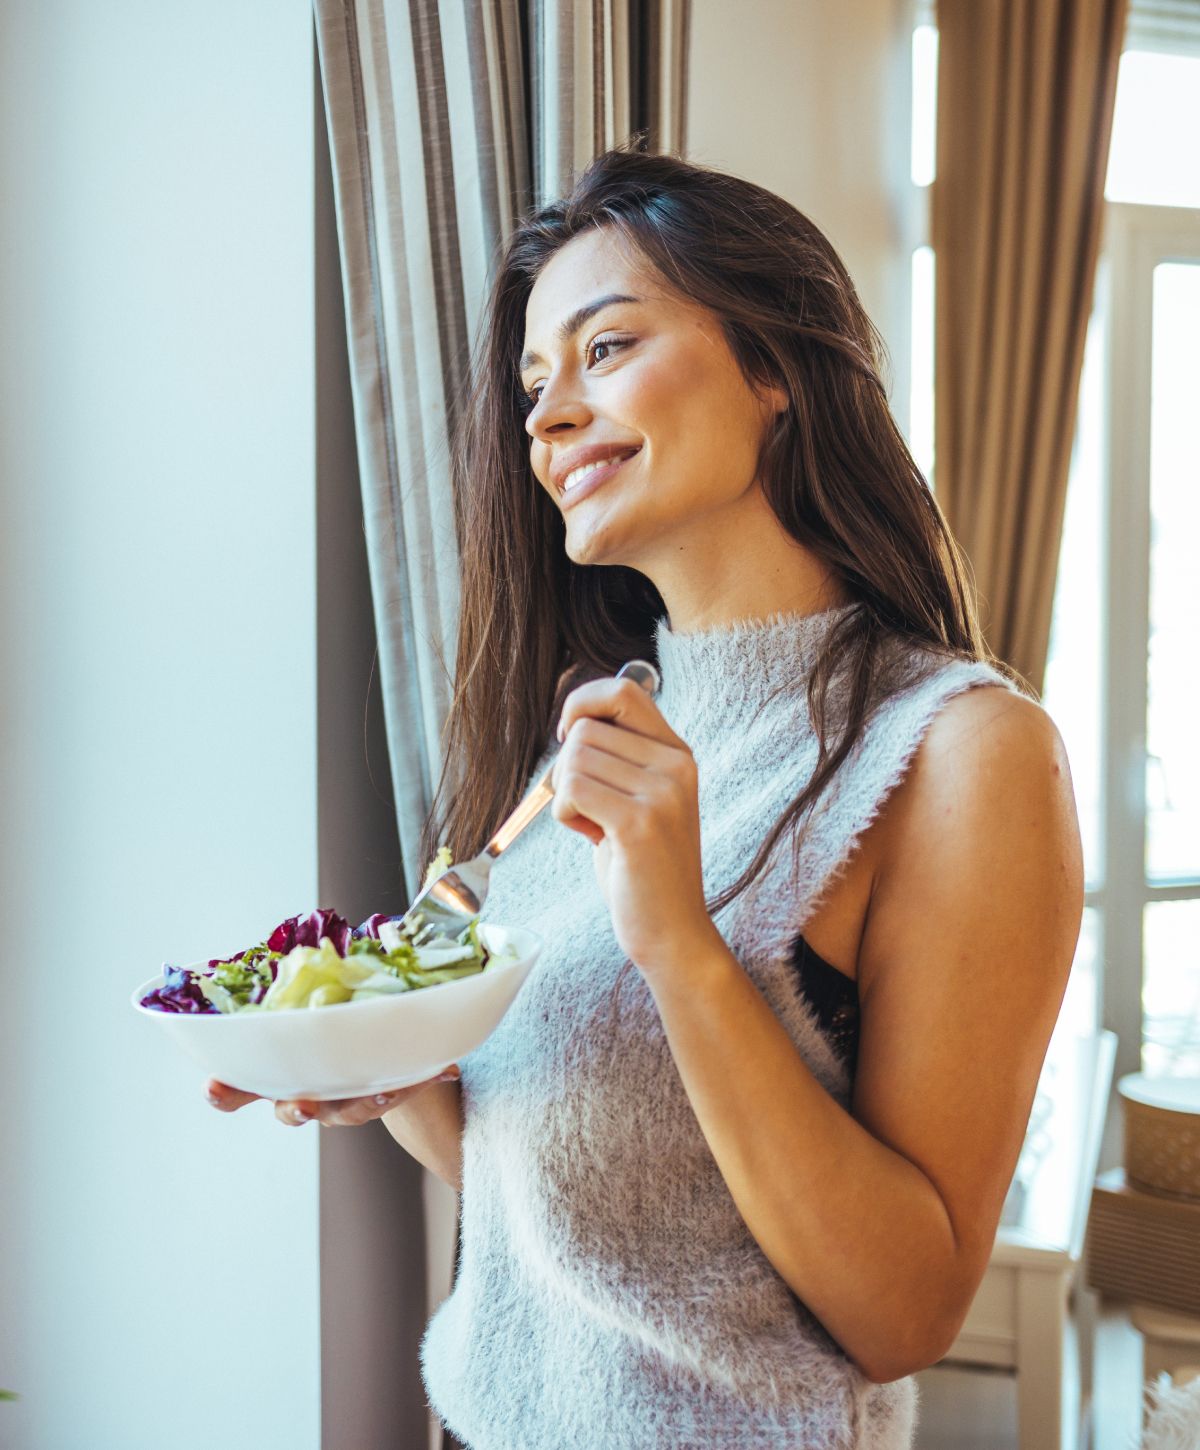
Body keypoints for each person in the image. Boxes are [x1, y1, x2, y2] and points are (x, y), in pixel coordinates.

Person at [208, 144, 1083, 1448]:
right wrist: (376, 1057)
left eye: (604, 348)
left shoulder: (962, 754)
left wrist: (678, 940)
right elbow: (578, 1200)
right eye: (534, 383)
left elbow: (903, 1310)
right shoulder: (586, 739)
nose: (549, 415)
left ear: (776, 368)